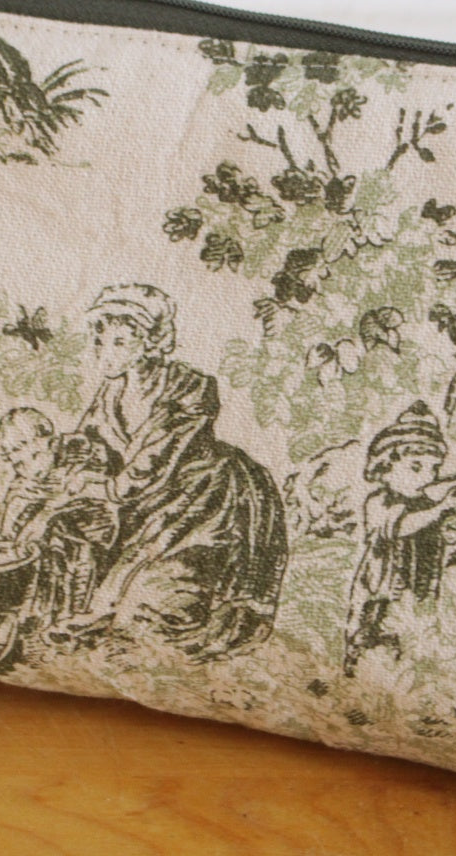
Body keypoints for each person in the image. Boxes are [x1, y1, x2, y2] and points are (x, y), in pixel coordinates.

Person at [57, 283, 288, 661]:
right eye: (100, 342)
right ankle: (97, 617)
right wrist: (72, 461)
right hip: (146, 502)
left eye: (119, 342)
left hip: (202, 499)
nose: (105, 353)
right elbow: (90, 438)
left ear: (150, 342)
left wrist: (103, 487)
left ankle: (138, 624)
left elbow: (153, 461)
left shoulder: (189, 388)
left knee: (156, 590)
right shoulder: (112, 391)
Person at [342, 400, 456, 676]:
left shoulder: (427, 502)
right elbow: (401, 527)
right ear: (385, 466)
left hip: (422, 585)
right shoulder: (380, 501)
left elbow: (447, 531)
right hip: (382, 591)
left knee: (416, 636)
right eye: (416, 467)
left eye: (433, 468)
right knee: (372, 636)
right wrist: (441, 508)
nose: (427, 476)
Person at [0, 407, 118, 626]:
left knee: (64, 548)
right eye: (11, 456)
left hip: (89, 525)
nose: (18, 462)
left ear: (47, 442)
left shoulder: (81, 454)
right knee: (37, 551)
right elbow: (18, 495)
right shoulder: (29, 470)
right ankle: (40, 613)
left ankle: (72, 613)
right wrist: (11, 519)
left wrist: (48, 512)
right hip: (51, 527)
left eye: (21, 450)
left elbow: (93, 491)